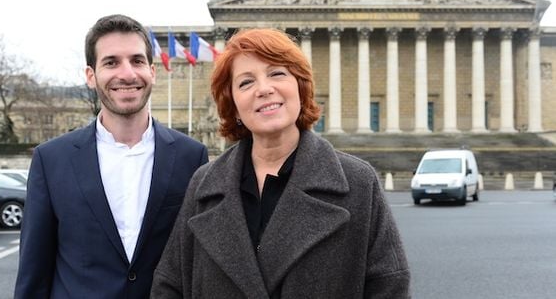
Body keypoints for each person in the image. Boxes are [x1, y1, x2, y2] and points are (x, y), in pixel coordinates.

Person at [150, 28, 410, 298]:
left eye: (276, 73)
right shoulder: (204, 185)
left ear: (300, 87)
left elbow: (389, 287)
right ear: (234, 106)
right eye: (246, 82)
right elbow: (170, 284)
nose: (264, 89)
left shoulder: (358, 182)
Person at [14, 14, 209, 298]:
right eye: (111, 62)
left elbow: (200, 263)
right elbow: (34, 271)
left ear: (152, 71)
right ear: (91, 76)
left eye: (137, 60)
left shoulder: (192, 156)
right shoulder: (51, 159)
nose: (127, 74)